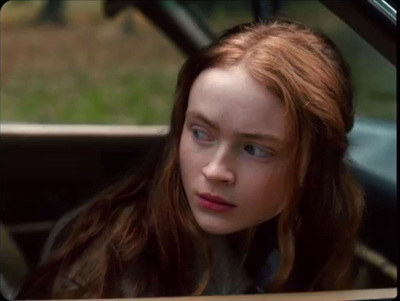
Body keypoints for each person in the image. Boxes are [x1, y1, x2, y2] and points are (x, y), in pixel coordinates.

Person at [17, 18, 364, 299]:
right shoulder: (116, 271)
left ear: (313, 163)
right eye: (201, 133)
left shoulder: (311, 226)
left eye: (254, 149)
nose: (215, 171)